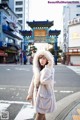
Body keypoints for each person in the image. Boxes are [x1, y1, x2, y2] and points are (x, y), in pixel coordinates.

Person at [26, 50, 56, 120]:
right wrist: (30, 94)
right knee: (42, 115)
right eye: (40, 58)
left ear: (48, 60)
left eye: (44, 58)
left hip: (45, 97)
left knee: (39, 115)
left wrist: (47, 68)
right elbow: (33, 83)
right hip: (37, 96)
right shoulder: (37, 69)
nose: (41, 60)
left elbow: (44, 81)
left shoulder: (50, 70)